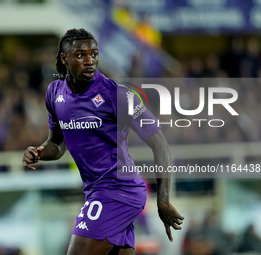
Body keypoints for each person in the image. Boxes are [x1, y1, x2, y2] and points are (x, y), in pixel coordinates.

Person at [22, 28, 184, 255]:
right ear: (64, 58)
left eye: (94, 54)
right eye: (81, 55)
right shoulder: (55, 93)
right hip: (95, 191)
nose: (89, 61)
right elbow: (57, 145)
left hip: (119, 190)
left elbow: (160, 144)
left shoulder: (116, 94)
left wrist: (163, 200)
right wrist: (39, 151)